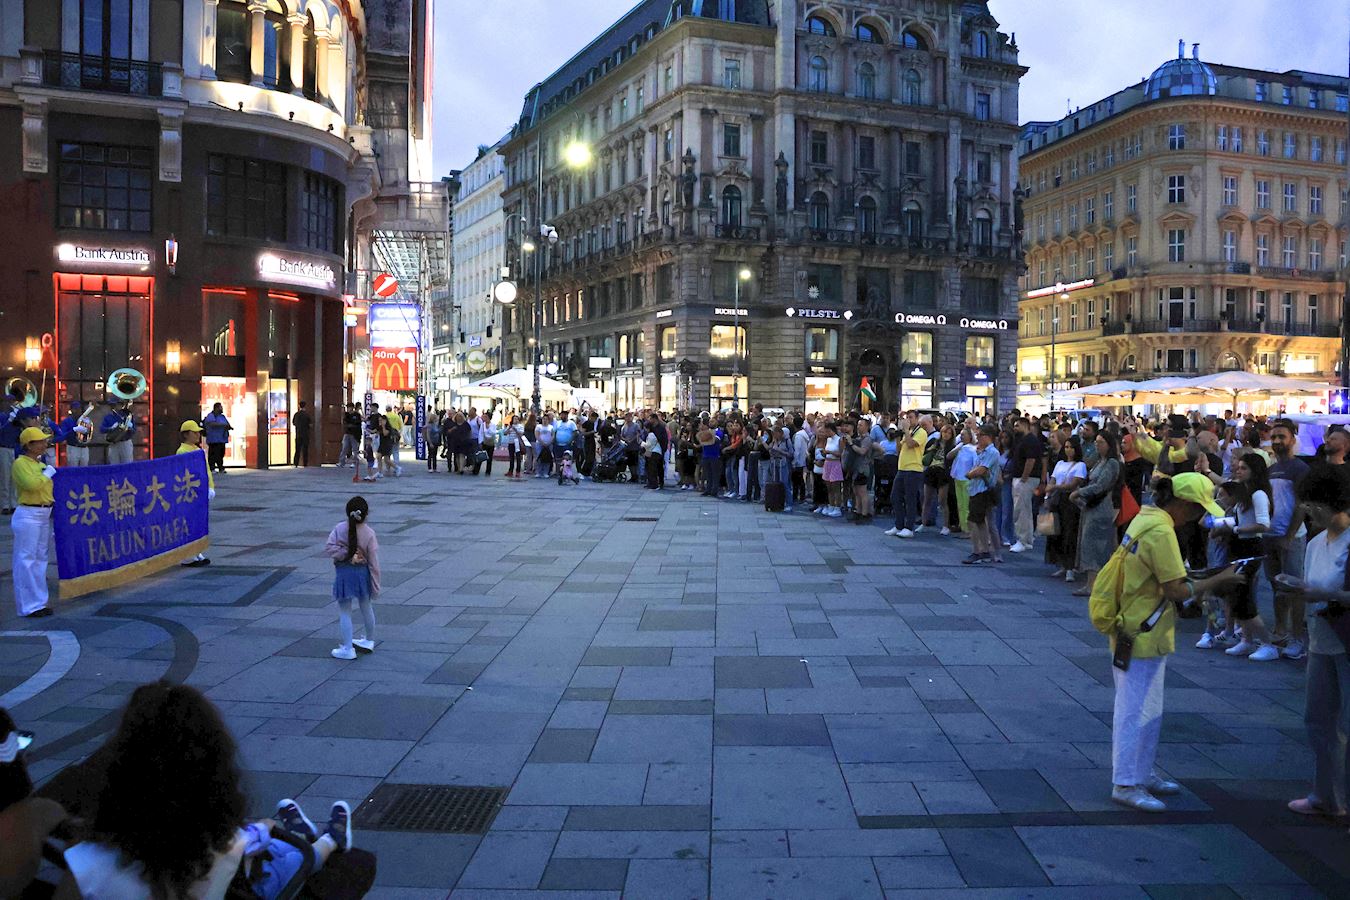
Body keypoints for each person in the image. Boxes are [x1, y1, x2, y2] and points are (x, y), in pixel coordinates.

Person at [1088, 473, 1243, 812]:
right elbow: (1176, 589)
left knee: (1146, 707)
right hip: (1141, 628)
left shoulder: (1146, 519)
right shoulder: (1161, 531)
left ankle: (1140, 773)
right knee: (1135, 709)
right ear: (1183, 504)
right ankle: (1126, 782)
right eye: (1198, 508)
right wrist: (1220, 578)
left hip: (1137, 625)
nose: (1198, 516)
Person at [1285, 465, 1350, 817]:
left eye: (1313, 505)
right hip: (1320, 638)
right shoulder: (1313, 543)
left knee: (1346, 725)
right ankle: (1324, 794)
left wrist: (1325, 594)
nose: (1308, 511)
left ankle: (1343, 800)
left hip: (1345, 640)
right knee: (1317, 721)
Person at [1215, 453, 1281, 660]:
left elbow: (1263, 524)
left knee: (1244, 597)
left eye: (1244, 468)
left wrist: (1236, 529)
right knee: (1237, 596)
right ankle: (1247, 639)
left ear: (1255, 471)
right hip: (1239, 546)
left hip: (1250, 548)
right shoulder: (1245, 493)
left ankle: (1267, 643)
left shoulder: (1258, 494)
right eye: (1239, 467)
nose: (1239, 470)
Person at [1266, 419, 1311, 659]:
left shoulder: (1300, 468)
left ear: (1292, 440)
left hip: (1291, 537)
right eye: (1274, 437)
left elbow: (1302, 504)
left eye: (1281, 436)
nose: (1277, 441)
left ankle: (1296, 637)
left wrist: (1290, 535)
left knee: (1293, 587)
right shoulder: (1271, 469)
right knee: (1276, 586)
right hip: (1270, 536)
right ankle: (1279, 631)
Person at [324, 497, 380, 661]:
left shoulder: (339, 528)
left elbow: (329, 547)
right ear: (366, 514)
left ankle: (348, 648)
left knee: (345, 611)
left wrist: (345, 554)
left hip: (344, 574)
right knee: (366, 607)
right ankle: (369, 640)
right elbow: (374, 563)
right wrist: (375, 585)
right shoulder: (369, 533)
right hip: (363, 574)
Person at [1071, 430, 1123, 597]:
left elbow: (1101, 485)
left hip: (1101, 507)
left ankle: (1095, 584)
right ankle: (1090, 582)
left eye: (1101, 442)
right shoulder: (1100, 461)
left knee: (1095, 546)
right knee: (1088, 544)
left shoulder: (1112, 463)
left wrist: (1080, 492)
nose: (1097, 445)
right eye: (1096, 442)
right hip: (1091, 506)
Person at [10, 427, 54, 618]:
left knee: (40, 559)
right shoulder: (20, 464)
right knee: (26, 559)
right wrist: (47, 474)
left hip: (43, 514)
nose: (44, 444)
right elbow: (31, 485)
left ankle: (39, 602)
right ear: (29, 445)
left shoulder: (40, 463)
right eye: (40, 441)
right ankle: (28, 606)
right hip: (28, 514)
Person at [1045, 435, 1087, 583]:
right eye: (1067, 447)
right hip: (1057, 500)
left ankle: (1070, 567)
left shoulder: (1080, 466)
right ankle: (1061, 564)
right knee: (1057, 532)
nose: (1068, 450)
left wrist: (1054, 487)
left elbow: (1073, 484)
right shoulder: (1060, 463)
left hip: (1070, 500)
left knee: (1070, 533)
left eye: (1071, 447)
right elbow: (1052, 479)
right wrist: (1048, 495)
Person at [175, 421, 214, 568]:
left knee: (198, 522)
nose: (198, 435)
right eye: (195, 432)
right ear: (186, 434)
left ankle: (197, 551)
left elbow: (206, 470)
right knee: (188, 522)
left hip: (200, 490)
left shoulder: (197, 449)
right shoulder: (182, 451)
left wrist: (210, 486)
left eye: (199, 432)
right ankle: (187, 555)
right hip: (189, 492)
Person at [962, 424, 1002, 565]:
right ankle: (984, 551)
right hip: (977, 489)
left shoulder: (992, 452)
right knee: (980, 522)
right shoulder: (983, 451)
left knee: (973, 521)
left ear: (988, 436)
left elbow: (981, 470)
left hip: (982, 491)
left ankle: (977, 552)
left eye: (980, 435)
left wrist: (969, 474)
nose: (977, 438)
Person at [887, 412, 927, 538]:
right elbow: (899, 450)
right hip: (902, 468)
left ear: (917, 419)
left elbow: (910, 444)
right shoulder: (907, 432)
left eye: (911, 417)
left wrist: (905, 430)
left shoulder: (921, 432)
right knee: (895, 496)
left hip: (914, 468)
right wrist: (898, 435)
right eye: (907, 418)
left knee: (910, 499)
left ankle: (909, 527)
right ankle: (899, 525)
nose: (908, 420)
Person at [1010, 417, 1045, 553]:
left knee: (1022, 511)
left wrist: (1023, 478)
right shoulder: (1022, 440)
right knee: (1023, 510)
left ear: (1025, 426)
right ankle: (1026, 539)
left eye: (1017, 425)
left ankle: (1023, 540)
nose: (1015, 428)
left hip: (1026, 479)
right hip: (1021, 478)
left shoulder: (1030, 440)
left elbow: (1031, 460)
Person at [100, 400, 137, 465]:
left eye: (115, 405)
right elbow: (101, 429)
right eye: (111, 405)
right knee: (114, 465)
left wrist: (129, 427)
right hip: (113, 443)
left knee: (127, 465)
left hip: (125, 443)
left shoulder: (128, 416)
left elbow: (134, 430)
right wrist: (111, 428)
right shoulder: (108, 417)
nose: (113, 407)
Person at [200, 402, 231, 473]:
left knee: (221, 454)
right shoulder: (211, 416)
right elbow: (211, 424)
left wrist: (229, 427)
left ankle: (221, 468)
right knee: (213, 454)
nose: (222, 408)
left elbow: (227, 424)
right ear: (216, 408)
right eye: (220, 407)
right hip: (213, 439)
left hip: (222, 439)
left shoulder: (222, 416)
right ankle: (212, 468)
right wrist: (222, 425)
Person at [292, 400, 312, 467]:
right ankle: (305, 463)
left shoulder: (296, 414)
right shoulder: (307, 415)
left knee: (297, 450)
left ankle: (296, 463)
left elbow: (294, 423)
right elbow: (310, 424)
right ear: (305, 406)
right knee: (305, 450)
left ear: (299, 406)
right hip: (305, 434)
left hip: (298, 434)